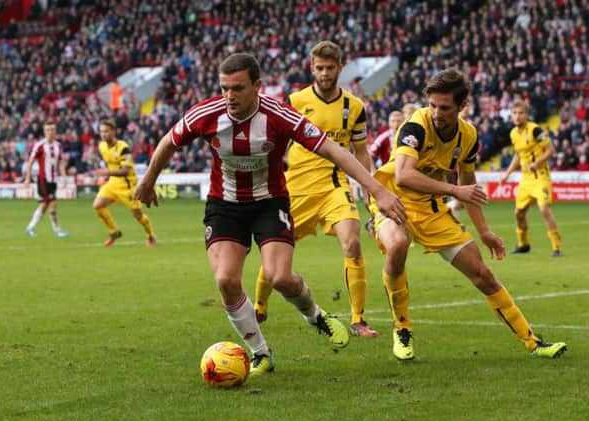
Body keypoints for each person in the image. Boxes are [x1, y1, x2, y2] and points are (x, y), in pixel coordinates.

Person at [134, 53, 406, 376]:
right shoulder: (207, 113)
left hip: (270, 202)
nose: (229, 96)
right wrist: (148, 181)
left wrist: (378, 191)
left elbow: (334, 150)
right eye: (224, 88)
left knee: (279, 277)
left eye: (237, 88)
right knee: (225, 280)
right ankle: (260, 352)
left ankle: (314, 315)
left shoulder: (279, 115)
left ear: (257, 86)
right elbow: (169, 141)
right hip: (225, 205)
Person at [369, 69, 566, 361]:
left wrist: (484, 231)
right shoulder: (415, 127)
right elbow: (403, 176)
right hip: (393, 202)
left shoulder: (469, 136)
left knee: (483, 274)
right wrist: (454, 190)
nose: (436, 112)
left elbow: (468, 184)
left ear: (462, 106)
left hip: (433, 211)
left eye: (445, 107)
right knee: (397, 244)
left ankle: (533, 342)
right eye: (433, 105)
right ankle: (402, 329)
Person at [253, 41, 379, 337]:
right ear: (312, 68)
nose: (324, 74)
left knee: (352, 242)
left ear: (340, 68)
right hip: (296, 188)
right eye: (319, 68)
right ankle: (259, 305)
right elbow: (274, 142)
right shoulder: (294, 101)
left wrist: (370, 191)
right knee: (274, 252)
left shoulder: (354, 107)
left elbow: (360, 152)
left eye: (330, 68)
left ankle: (358, 319)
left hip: (335, 186)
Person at [499, 101, 562, 257]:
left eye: (521, 113)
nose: (517, 116)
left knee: (544, 209)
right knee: (519, 212)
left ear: (526, 115)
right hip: (526, 179)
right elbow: (518, 155)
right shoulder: (513, 133)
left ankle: (556, 247)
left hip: (540, 176)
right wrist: (507, 174)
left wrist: (537, 163)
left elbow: (551, 150)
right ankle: (523, 244)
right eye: (515, 113)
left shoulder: (536, 130)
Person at [92, 119, 157, 247]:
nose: (104, 134)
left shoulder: (123, 148)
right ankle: (114, 231)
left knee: (137, 215)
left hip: (128, 186)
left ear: (113, 132)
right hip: (113, 183)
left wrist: (106, 172)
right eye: (101, 132)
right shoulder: (102, 146)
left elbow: (125, 171)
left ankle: (150, 235)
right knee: (97, 206)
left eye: (106, 131)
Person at [23, 120, 69, 238]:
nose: (50, 132)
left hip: (53, 180)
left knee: (45, 205)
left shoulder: (58, 145)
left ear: (56, 131)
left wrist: (64, 176)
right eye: (48, 130)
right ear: (44, 131)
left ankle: (30, 228)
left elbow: (61, 162)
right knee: (51, 203)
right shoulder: (39, 145)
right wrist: (27, 178)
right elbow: (31, 162)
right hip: (43, 179)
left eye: (52, 129)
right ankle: (57, 230)